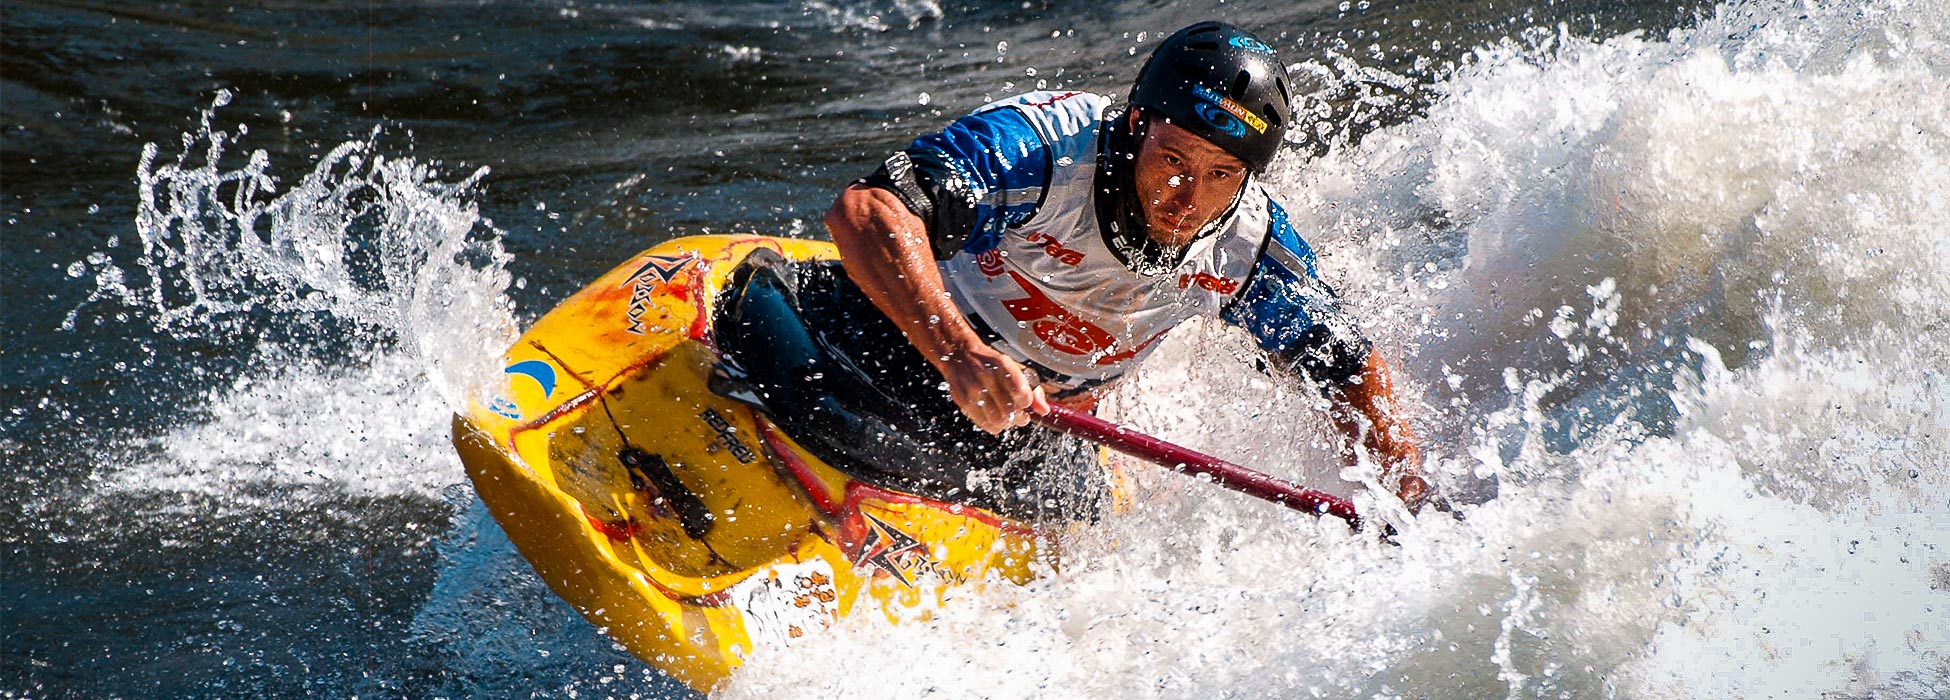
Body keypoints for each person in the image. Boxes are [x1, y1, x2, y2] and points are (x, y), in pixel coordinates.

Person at [771, 21, 1427, 518]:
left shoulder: (1248, 246)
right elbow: (866, 210)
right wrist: (960, 356)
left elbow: (1346, 366)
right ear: (1139, 122)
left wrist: (1405, 494)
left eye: (1221, 175)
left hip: (1038, 426)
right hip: (900, 343)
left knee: (1065, 508)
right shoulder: (1045, 151)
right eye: (1174, 159)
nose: (1189, 197)